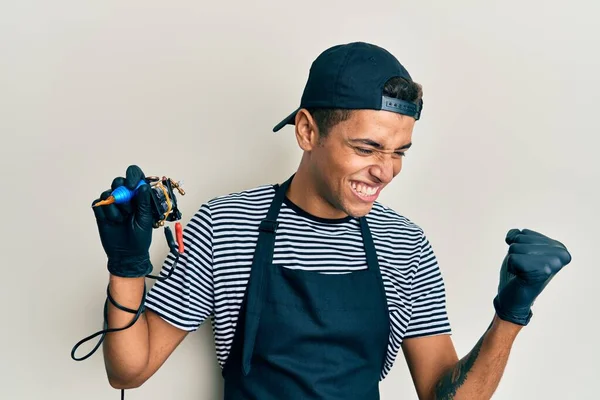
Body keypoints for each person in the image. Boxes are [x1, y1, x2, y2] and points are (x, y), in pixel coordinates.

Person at [92, 42, 572, 399]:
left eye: (398, 152)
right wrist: (128, 266)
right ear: (306, 131)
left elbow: (441, 395)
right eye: (366, 148)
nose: (384, 171)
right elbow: (128, 372)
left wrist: (511, 314)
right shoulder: (226, 224)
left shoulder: (403, 242)